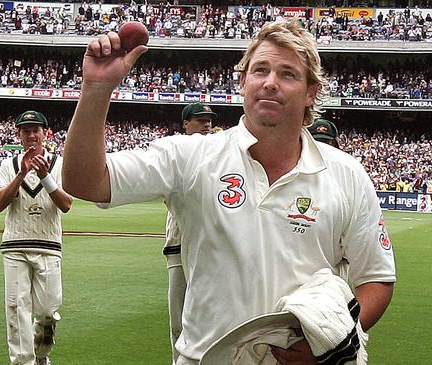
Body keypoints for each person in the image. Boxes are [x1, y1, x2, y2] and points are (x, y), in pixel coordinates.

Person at [63, 19, 396, 365]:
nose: (270, 83)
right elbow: (85, 181)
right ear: (242, 81)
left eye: (288, 74)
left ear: (310, 92)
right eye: (260, 70)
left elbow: (376, 279)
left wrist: (330, 343)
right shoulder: (190, 155)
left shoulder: (347, 174)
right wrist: (96, 89)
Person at [0, 110, 72, 365]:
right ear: (19, 135)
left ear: (44, 133)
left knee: (48, 311)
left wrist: (44, 176)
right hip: (15, 245)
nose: (31, 135)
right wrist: (21, 174)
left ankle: (41, 355)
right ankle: (22, 361)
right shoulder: (8, 164)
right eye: (25, 130)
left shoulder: (59, 163)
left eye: (35, 130)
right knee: (16, 309)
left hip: (49, 246)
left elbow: (66, 204)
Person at [163, 102, 217, 364]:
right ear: (185, 124)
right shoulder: (173, 153)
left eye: (209, 120)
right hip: (178, 244)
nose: (206, 124)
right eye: (199, 120)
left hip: (212, 247)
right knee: (178, 319)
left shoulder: (220, 154)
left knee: (211, 315)